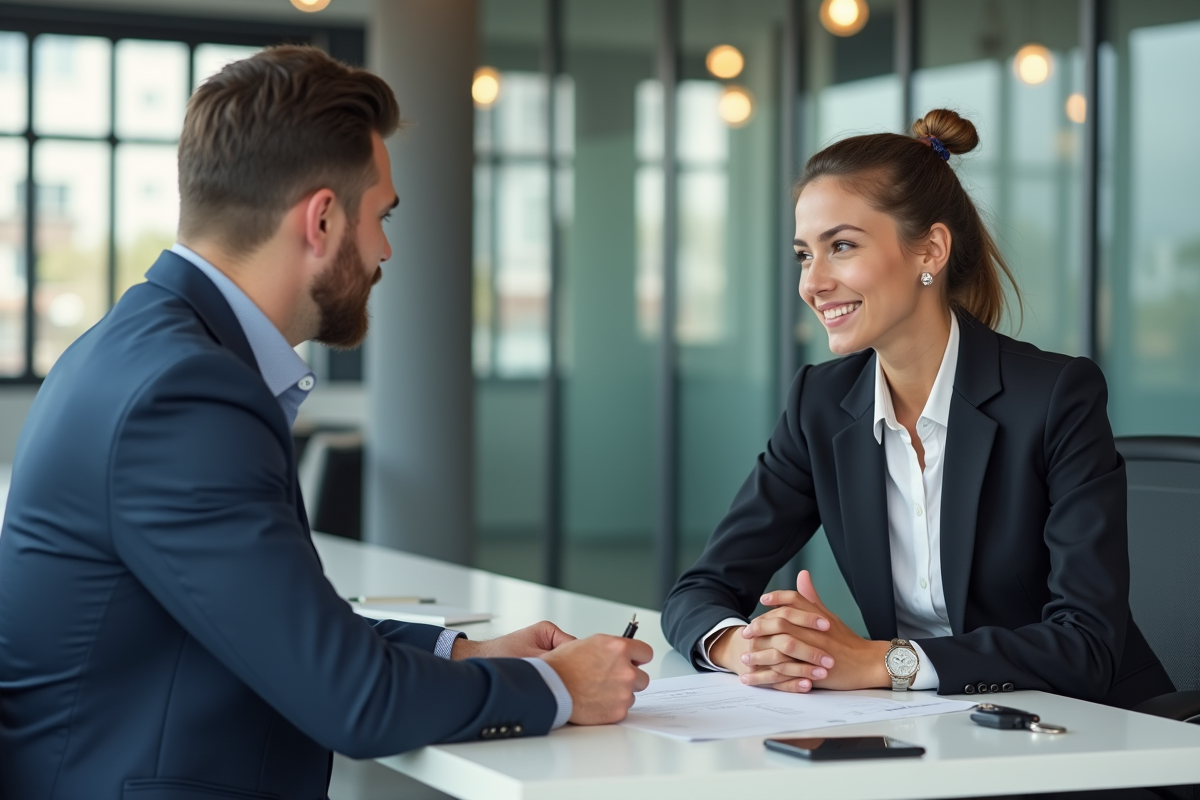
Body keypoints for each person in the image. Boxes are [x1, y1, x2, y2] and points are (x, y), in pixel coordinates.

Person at [0, 46, 650, 800]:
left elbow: (280, 630)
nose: (385, 251)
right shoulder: (185, 394)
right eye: (381, 217)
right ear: (322, 217)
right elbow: (355, 700)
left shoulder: (135, 349)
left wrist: (463, 651)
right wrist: (556, 689)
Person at [661, 109, 1172, 708]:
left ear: (929, 250)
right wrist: (749, 647)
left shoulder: (1055, 396)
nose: (812, 283)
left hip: (1085, 730)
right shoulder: (819, 405)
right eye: (804, 254)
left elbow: (1086, 647)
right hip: (929, 724)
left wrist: (883, 663)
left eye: (842, 246)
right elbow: (701, 588)